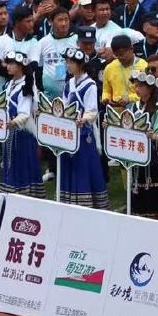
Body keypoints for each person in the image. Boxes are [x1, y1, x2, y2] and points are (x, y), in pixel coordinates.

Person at [59, 45, 108, 208]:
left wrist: (83, 119)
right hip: (69, 132)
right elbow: (64, 106)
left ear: (80, 64)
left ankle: (87, 201)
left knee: (84, 166)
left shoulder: (90, 85)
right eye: (67, 62)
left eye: (71, 62)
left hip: (83, 132)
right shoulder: (69, 84)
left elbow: (92, 110)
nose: (68, 65)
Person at [129, 69, 158, 219]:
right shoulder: (132, 107)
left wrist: (153, 135)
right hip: (137, 158)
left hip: (155, 160)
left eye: (140, 86)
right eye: (136, 85)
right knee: (140, 204)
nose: (137, 89)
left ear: (150, 89)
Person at [0, 50, 44, 195]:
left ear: (21, 66)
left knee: (21, 162)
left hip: (22, 132)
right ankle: (9, 186)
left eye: (12, 63)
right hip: (9, 129)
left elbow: (25, 113)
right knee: (9, 160)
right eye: (8, 63)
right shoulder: (9, 84)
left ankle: (24, 190)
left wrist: (14, 122)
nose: (8, 66)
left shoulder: (26, 85)